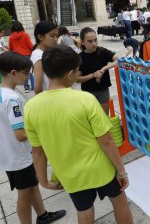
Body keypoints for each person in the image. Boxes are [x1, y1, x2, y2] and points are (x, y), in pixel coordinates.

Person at [24, 45, 133, 224]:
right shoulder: (85, 99)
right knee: (120, 203)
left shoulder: (31, 107)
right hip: (101, 169)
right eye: (77, 71)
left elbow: (37, 151)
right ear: (69, 74)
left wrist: (43, 181)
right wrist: (121, 171)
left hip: (70, 174)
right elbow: (106, 140)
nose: (78, 74)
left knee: (84, 211)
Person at [0, 52, 67, 224]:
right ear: (13, 73)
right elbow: (21, 134)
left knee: (32, 184)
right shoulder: (13, 99)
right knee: (25, 194)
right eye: (26, 72)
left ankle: (42, 215)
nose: (29, 76)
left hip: (9, 152)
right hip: (19, 156)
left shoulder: (3, 92)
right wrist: (44, 131)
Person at [77, 27, 118, 115]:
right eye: (90, 41)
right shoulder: (80, 58)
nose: (94, 43)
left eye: (95, 40)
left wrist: (104, 68)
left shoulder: (102, 51)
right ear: (82, 42)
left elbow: (119, 60)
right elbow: (76, 79)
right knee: (92, 117)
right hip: (88, 92)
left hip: (103, 90)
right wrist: (93, 75)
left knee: (104, 117)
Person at [31, 21, 58, 95]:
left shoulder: (47, 52)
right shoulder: (39, 56)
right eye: (52, 36)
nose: (55, 39)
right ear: (40, 37)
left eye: (57, 36)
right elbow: (38, 88)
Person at [8, 21, 33, 93]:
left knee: (23, 72)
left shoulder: (11, 37)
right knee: (30, 71)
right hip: (27, 55)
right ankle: (33, 85)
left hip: (17, 57)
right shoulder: (25, 35)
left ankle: (26, 88)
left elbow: (10, 48)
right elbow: (30, 46)